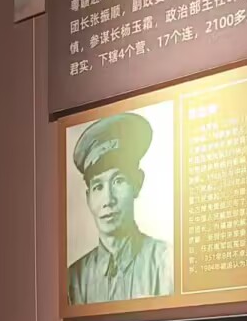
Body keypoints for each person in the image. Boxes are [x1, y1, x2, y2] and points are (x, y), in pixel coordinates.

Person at [67, 111, 173, 305]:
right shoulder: (75, 279)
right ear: (88, 198)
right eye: (98, 186)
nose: (108, 200)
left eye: (118, 181)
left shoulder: (167, 263)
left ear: (137, 183)